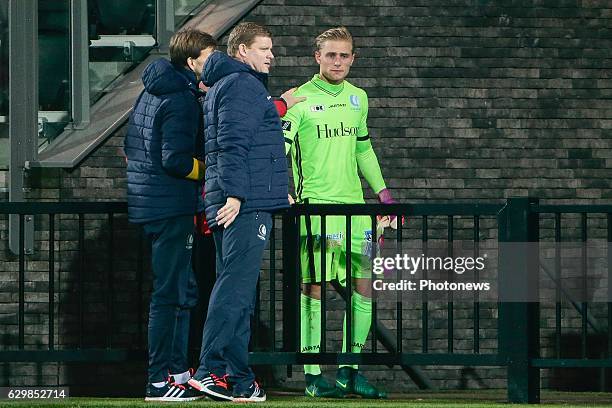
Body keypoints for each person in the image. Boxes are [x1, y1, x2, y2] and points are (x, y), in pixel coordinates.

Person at [282, 26, 397, 399]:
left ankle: (349, 371)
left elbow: (363, 149)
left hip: (355, 213)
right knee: (313, 288)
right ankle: (314, 375)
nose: (338, 61)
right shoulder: (298, 100)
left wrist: (383, 194)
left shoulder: (358, 98)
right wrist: (277, 191)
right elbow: (276, 148)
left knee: (364, 287)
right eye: (331, 54)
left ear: (353, 58)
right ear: (317, 57)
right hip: (315, 210)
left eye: (344, 55)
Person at [188, 22, 289, 403]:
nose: (271, 55)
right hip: (242, 206)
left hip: (237, 200)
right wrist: (236, 196)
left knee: (238, 292)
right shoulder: (243, 85)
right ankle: (210, 370)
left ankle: (240, 377)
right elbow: (232, 146)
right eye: (264, 48)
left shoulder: (223, 86)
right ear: (241, 51)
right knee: (235, 289)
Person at [124, 28, 216, 402]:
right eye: (210, 58)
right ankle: (159, 381)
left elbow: (130, 148)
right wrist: (212, 170)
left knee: (182, 290)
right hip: (171, 208)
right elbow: (176, 161)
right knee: (170, 294)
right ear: (193, 62)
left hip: (153, 204)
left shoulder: (154, 89)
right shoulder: (179, 99)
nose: (216, 65)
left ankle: (176, 372)